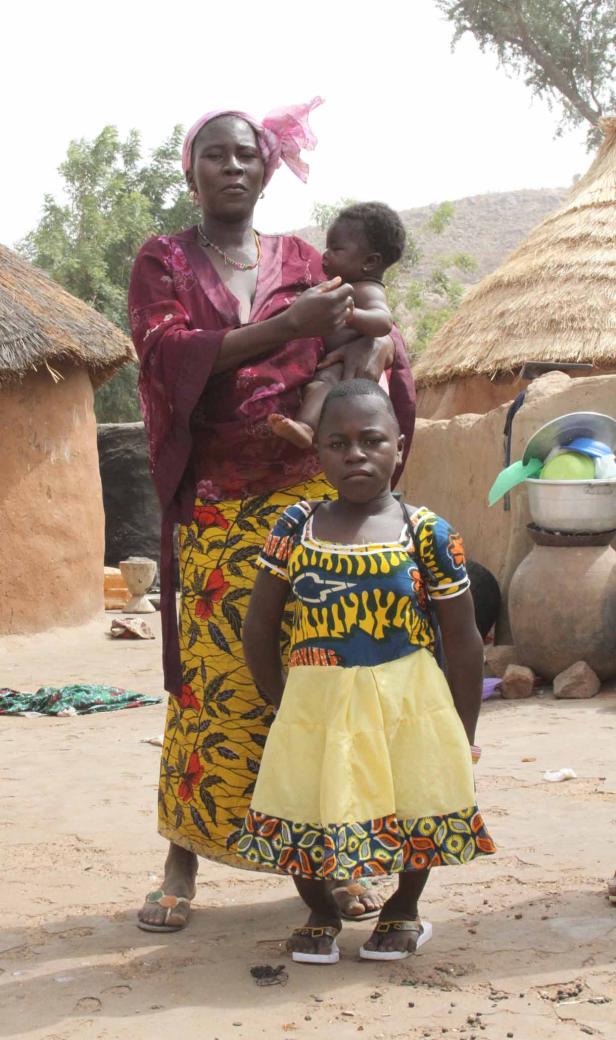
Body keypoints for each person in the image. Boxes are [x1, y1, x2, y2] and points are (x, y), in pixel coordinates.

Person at [128, 100, 416, 932]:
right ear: (191, 169)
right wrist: (285, 327)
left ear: (268, 169)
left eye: (246, 155)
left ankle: (335, 858)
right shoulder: (164, 259)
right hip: (218, 506)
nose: (232, 167)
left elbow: (369, 341)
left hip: (309, 506)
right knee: (213, 686)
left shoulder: (304, 256)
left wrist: (378, 345)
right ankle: (182, 857)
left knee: (320, 684)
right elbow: (164, 353)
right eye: (214, 154)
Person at [238, 379, 496, 963]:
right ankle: (320, 911)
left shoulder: (427, 532)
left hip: (410, 700)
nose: (355, 453)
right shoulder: (294, 526)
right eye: (338, 442)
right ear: (319, 453)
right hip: (314, 700)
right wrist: (284, 703)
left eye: (371, 439)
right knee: (302, 801)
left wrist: (464, 730)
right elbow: (259, 628)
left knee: (417, 799)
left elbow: (462, 639)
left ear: (398, 446)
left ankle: (403, 910)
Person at [267, 202, 405, 449]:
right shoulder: (342, 285)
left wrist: (351, 315)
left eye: (336, 249)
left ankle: (307, 427)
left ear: (370, 262)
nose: (325, 255)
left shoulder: (367, 290)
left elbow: (383, 322)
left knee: (323, 384)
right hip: (334, 363)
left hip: (346, 367)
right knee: (319, 385)